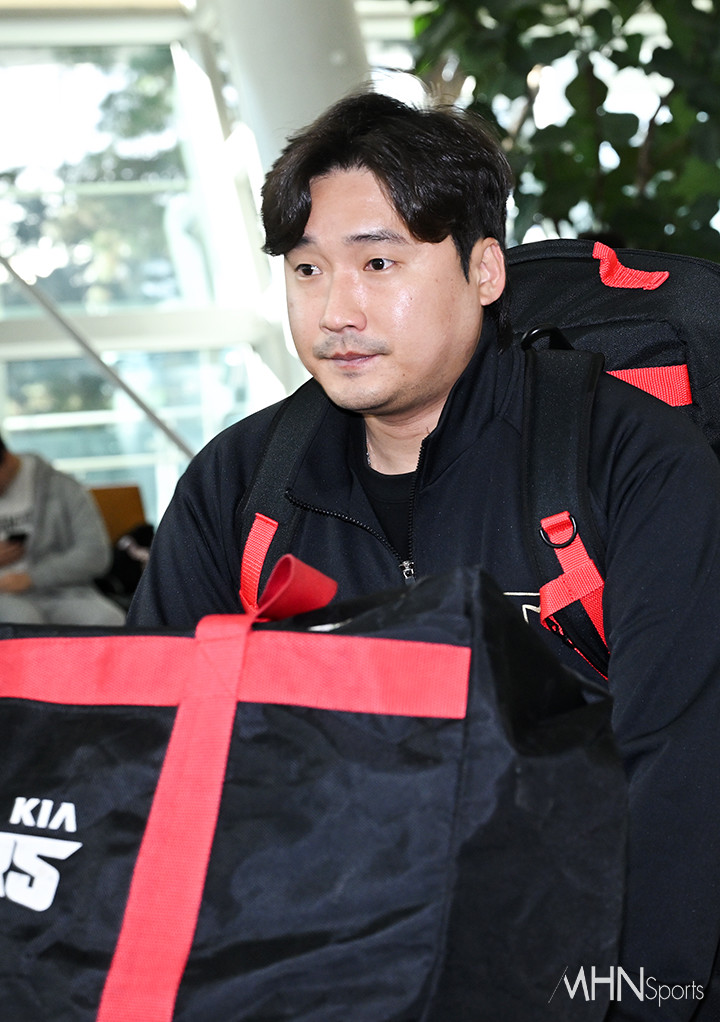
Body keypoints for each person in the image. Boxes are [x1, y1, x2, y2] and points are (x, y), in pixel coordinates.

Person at [128, 91, 720, 1016]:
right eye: (307, 269)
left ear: (484, 269)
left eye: (378, 262)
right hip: (329, 964)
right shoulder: (242, 485)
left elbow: (678, 778)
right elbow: (152, 759)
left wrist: (631, 1002)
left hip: (585, 958)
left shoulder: (626, 461)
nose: (337, 311)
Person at [0, 431, 125, 626]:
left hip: (63, 591)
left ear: (6, 459)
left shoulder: (62, 486)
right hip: (5, 597)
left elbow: (95, 554)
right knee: (23, 624)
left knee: (109, 620)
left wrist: (32, 577)